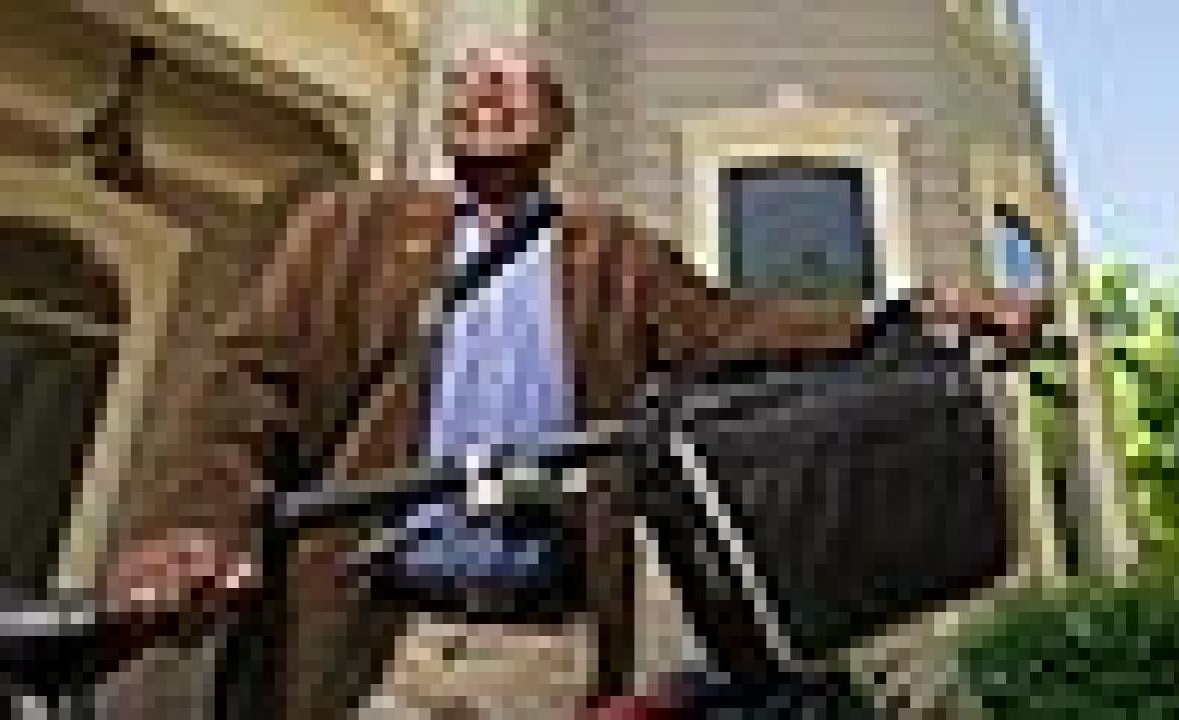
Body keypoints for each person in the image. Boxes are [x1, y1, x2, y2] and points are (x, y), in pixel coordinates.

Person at [101, 42, 1050, 718]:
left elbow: (744, 332)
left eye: (513, 83)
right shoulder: (350, 226)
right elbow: (246, 384)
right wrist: (194, 520)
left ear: (558, 123)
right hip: (357, 640)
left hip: (540, 652)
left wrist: (918, 313)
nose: (484, 93)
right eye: (467, 83)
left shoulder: (613, 255)